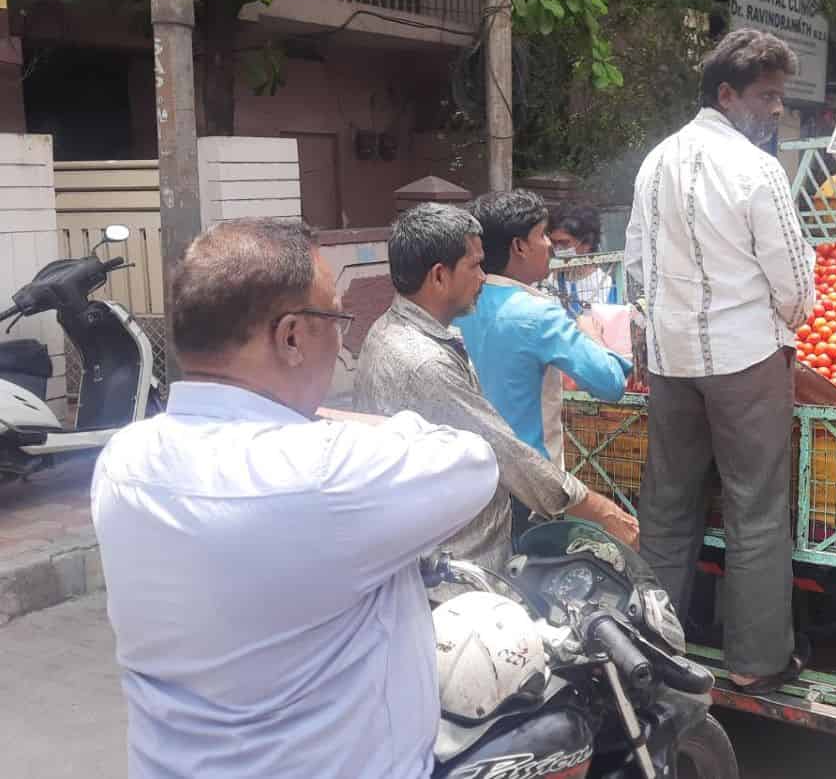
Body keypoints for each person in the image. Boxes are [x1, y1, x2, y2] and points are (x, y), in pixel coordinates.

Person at [92, 219, 498, 778]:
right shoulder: (327, 473)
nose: (340, 337)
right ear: (290, 337)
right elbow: (474, 461)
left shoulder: (123, 461)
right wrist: (322, 420)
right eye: (335, 317)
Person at [625, 28, 817, 693]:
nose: (775, 110)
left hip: (673, 364)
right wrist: (784, 324)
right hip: (745, 362)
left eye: (779, 98)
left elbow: (634, 268)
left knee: (668, 506)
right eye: (766, 97)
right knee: (755, 507)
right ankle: (754, 660)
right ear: (727, 94)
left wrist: (658, 332)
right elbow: (794, 280)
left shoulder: (655, 162)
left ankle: (652, 647)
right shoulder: (756, 170)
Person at [354, 203, 638, 576]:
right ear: (439, 276)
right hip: (476, 542)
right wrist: (601, 510)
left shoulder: (387, 332)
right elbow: (505, 451)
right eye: (474, 266)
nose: (483, 278)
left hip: (433, 533)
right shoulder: (427, 360)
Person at [456, 190, 632, 537]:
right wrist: (591, 331)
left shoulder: (457, 305)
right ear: (519, 247)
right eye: (541, 235)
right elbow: (610, 382)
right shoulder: (537, 313)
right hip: (530, 487)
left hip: (467, 481)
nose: (550, 245)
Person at [546, 203, 618, 316]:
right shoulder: (546, 282)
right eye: (554, 243)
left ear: (586, 243)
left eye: (564, 243)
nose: (557, 249)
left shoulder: (608, 286)